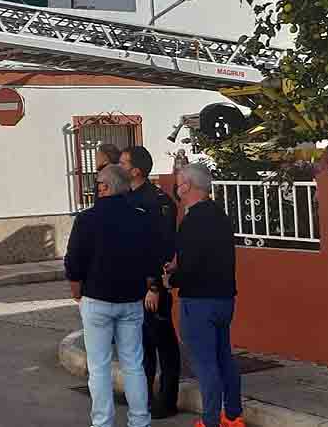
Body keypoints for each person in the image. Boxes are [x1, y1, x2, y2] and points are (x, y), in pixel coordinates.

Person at [65, 165, 159, 427]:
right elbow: (151, 258)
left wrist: (76, 291)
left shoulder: (87, 219)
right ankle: (140, 420)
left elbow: (74, 260)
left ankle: (103, 422)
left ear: (105, 187)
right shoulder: (140, 217)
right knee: (133, 364)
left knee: (99, 367)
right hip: (131, 300)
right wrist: (148, 285)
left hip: (96, 299)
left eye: (98, 184)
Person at [164, 164, 244, 427]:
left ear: (187, 186)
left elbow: (190, 265)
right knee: (224, 358)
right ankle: (233, 416)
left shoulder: (191, 221)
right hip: (224, 298)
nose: (177, 188)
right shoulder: (220, 215)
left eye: (179, 182)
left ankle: (210, 421)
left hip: (198, 301)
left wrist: (170, 280)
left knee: (205, 364)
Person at [122, 146, 182, 419]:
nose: (119, 167)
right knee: (141, 345)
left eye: (123, 163)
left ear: (136, 171)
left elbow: (162, 248)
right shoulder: (125, 198)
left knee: (163, 342)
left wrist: (154, 287)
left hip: (152, 286)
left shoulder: (158, 202)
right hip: (132, 285)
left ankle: (168, 400)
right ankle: (142, 397)